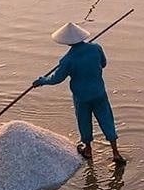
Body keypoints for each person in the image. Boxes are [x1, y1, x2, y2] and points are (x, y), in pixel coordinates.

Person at [32, 21, 127, 164]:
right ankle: (116, 153)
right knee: (107, 119)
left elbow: (56, 79)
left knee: (84, 121)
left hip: (81, 97)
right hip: (99, 92)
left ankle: (88, 150)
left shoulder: (67, 60)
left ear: (66, 42)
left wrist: (42, 81)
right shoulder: (96, 48)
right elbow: (103, 64)